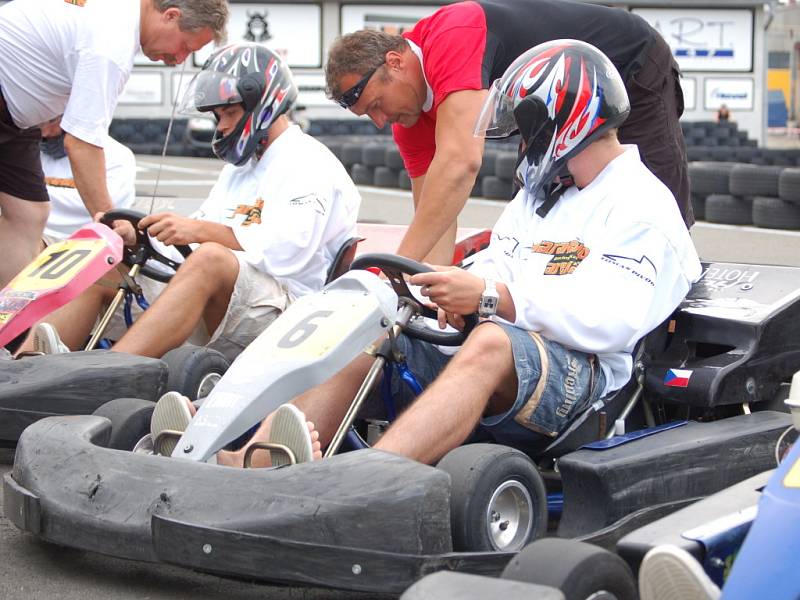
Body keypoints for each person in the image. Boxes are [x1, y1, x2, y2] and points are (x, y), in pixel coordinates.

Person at [153, 41, 701, 469]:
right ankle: (251, 453)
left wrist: (493, 300)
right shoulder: (542, 199)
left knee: (490, 339)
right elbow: (498, 263)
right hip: (517, 353)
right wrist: (453, 286)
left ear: (559, 121)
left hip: (585, 383)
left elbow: (613, 321)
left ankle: (368, 477)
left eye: (526, 133)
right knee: (375, 317)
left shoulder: (643, 205)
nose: (522, 147)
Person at [31, 44, 361, 364]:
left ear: (265, 104)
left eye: (230, 112)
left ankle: (113, 371)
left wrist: (197, 230)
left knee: (211, 258)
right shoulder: (240, 169)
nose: (223, 126)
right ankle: (29, 368)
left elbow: (286, 252)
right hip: (228, 298)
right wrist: (144, 236)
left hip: (289, 310)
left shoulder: (308, 161)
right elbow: (190, 244)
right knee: (107, 261)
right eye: (218, 116)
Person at [324, 0, 691, 265]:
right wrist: (423, 287)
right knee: (530, 227)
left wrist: (393, 274)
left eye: (375, 104)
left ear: (395, 62)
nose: (379, 121)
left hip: (630, 66)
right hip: (553, 109)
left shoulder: (452, 33)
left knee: (655, 206)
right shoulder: (409, 119)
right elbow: (435, 218)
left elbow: (462, 162)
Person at [0, 0, 228, 289]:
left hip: (16, 117)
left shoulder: (116, 13)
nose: (180, 59)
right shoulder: (112, 44)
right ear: (171, 16)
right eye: (186, 47)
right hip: (8, 100)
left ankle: (9, 325)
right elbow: (81, 144)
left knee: (29, 215)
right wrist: (112, 221)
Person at [38, 117, 136, 245]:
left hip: (92, 244)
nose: (45, 132)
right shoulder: (29, 152)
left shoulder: (119, 156)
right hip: (37, 236)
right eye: (40, 122)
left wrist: (21, 195)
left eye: (52, 121)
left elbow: (101, 211)